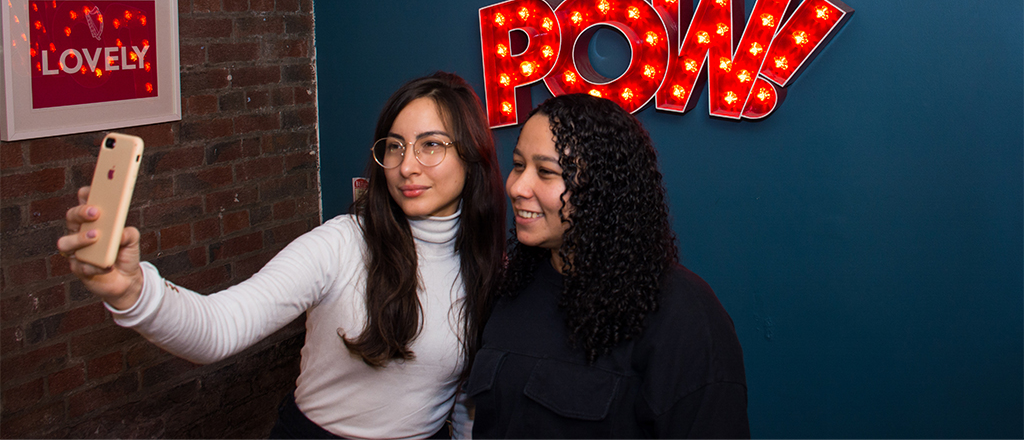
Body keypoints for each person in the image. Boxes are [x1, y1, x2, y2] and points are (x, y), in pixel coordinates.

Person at [57, 72, 506, 440]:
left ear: (471, 156)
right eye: (394, 145)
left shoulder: (487, 266)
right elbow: (219, 327)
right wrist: (135, 292)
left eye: (431, 145)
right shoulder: (342, 243)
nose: (407, 165)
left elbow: (467, 400)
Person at [467, 93, 750, 438]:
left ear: (601, 187)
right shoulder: (512, 289)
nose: (516, 186)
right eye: (517, 164)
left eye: (545, 171)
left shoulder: (683, 314)